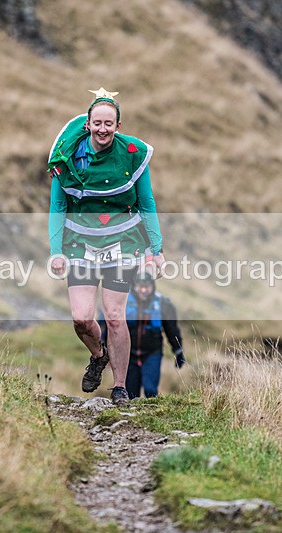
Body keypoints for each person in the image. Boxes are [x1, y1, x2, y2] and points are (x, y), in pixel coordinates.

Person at [48, 87, 165, 405]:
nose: (102, 129)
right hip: (80, 245)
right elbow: (58, 206)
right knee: (82, 319)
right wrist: (55, 251)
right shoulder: (68, 156)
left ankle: (120, 387)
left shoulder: (133, 153)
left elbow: (147, 202)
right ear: (87, 124)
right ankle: (98, 355)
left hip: (123, 244)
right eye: (97, 123)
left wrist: (156, 249)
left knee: (115, 317)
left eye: (108, 124)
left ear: (117, 126)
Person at [100, 272, 184, 399]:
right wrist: (103, 350)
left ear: (152, 286)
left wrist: (178, 351)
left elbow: (172, 330)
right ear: (134, 286)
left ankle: (153, 416)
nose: (143, 290)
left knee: (151, 390)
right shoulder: (124, 303)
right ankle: (132, 417)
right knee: (132, 394)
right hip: (128, 356)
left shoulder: (163, 304)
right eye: (140, 286)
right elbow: (111, 329)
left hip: (152, 353)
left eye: (147, 287)